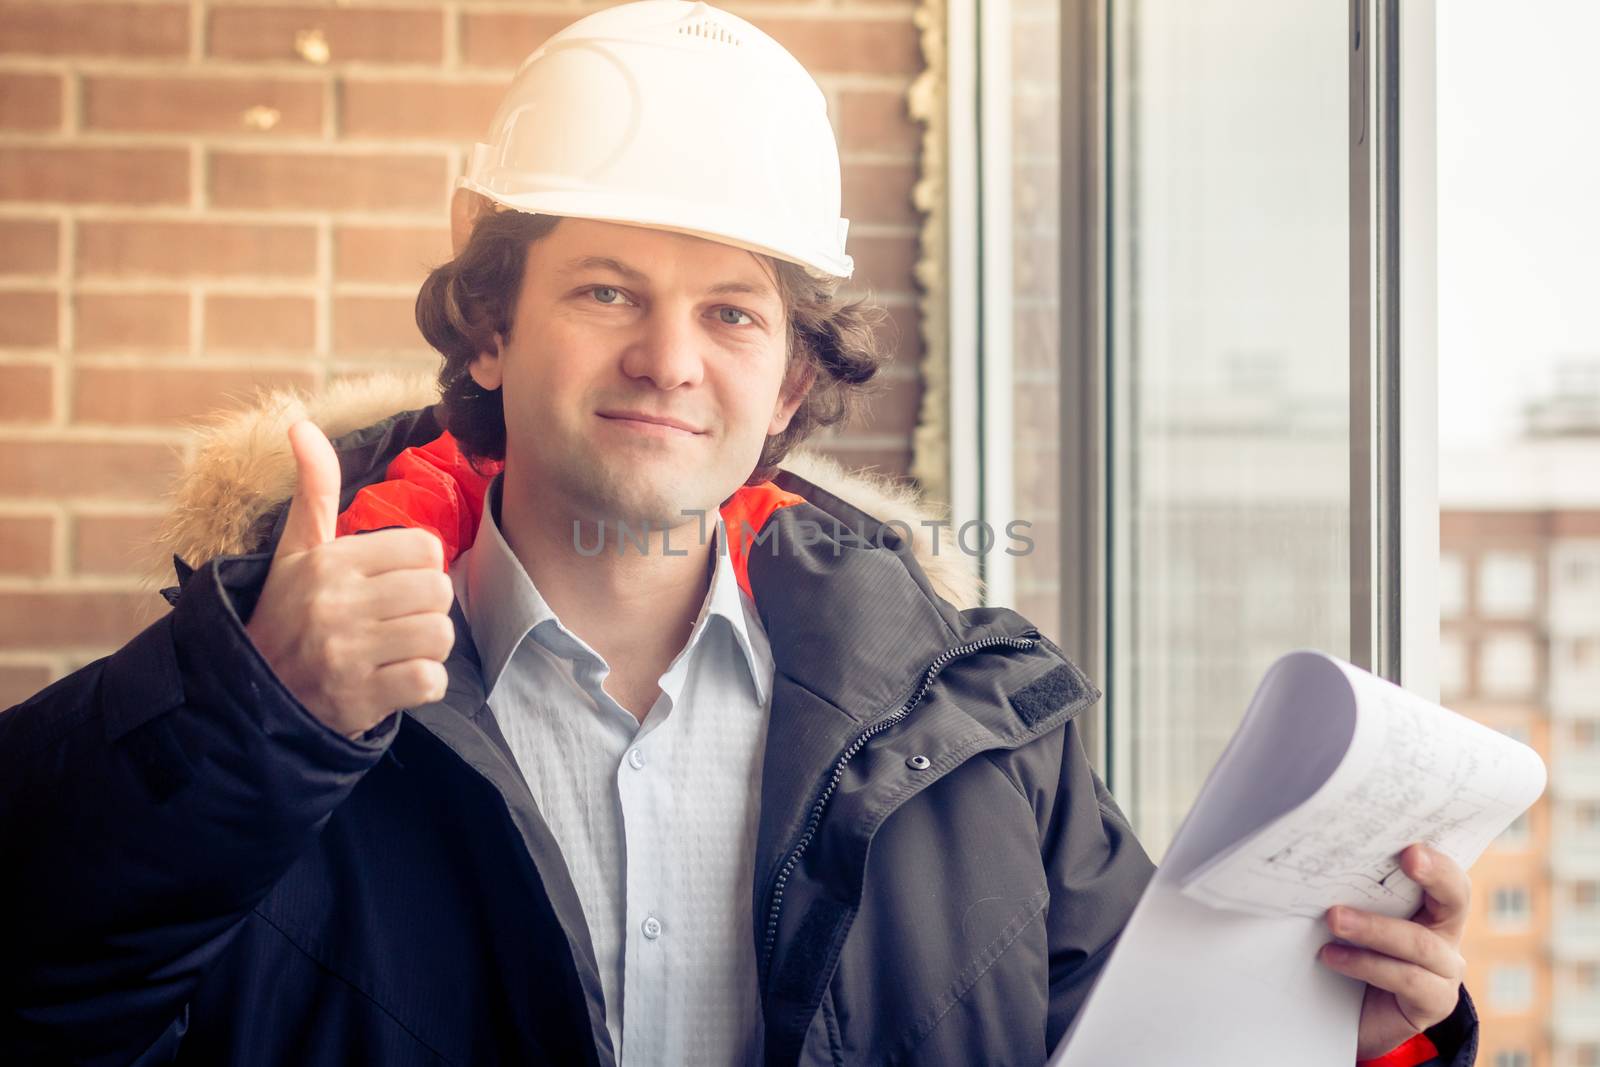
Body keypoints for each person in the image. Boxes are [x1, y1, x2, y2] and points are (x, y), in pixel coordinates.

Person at [0, 2, 1478, 1064]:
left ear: (786, 384)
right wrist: (251, 722)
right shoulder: (277, 686)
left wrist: (1346, 1038)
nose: (669, 358)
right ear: (491, 332)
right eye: (605, 289)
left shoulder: (982, 733)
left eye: (731, 312)